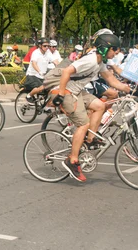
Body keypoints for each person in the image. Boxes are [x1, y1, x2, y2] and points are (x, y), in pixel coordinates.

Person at [45, 33, 131, 182]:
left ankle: (90, 139)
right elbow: (66, 71)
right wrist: (60, 94)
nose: (116, 52)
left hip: (77, 91)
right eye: (114, 49)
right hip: (64, 91)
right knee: (83, 124)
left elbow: (111, 80)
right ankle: (72, 160)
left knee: (99, 105)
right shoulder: (90, 60)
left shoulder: (99, 62)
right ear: (105, 48)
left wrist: (128, 89)